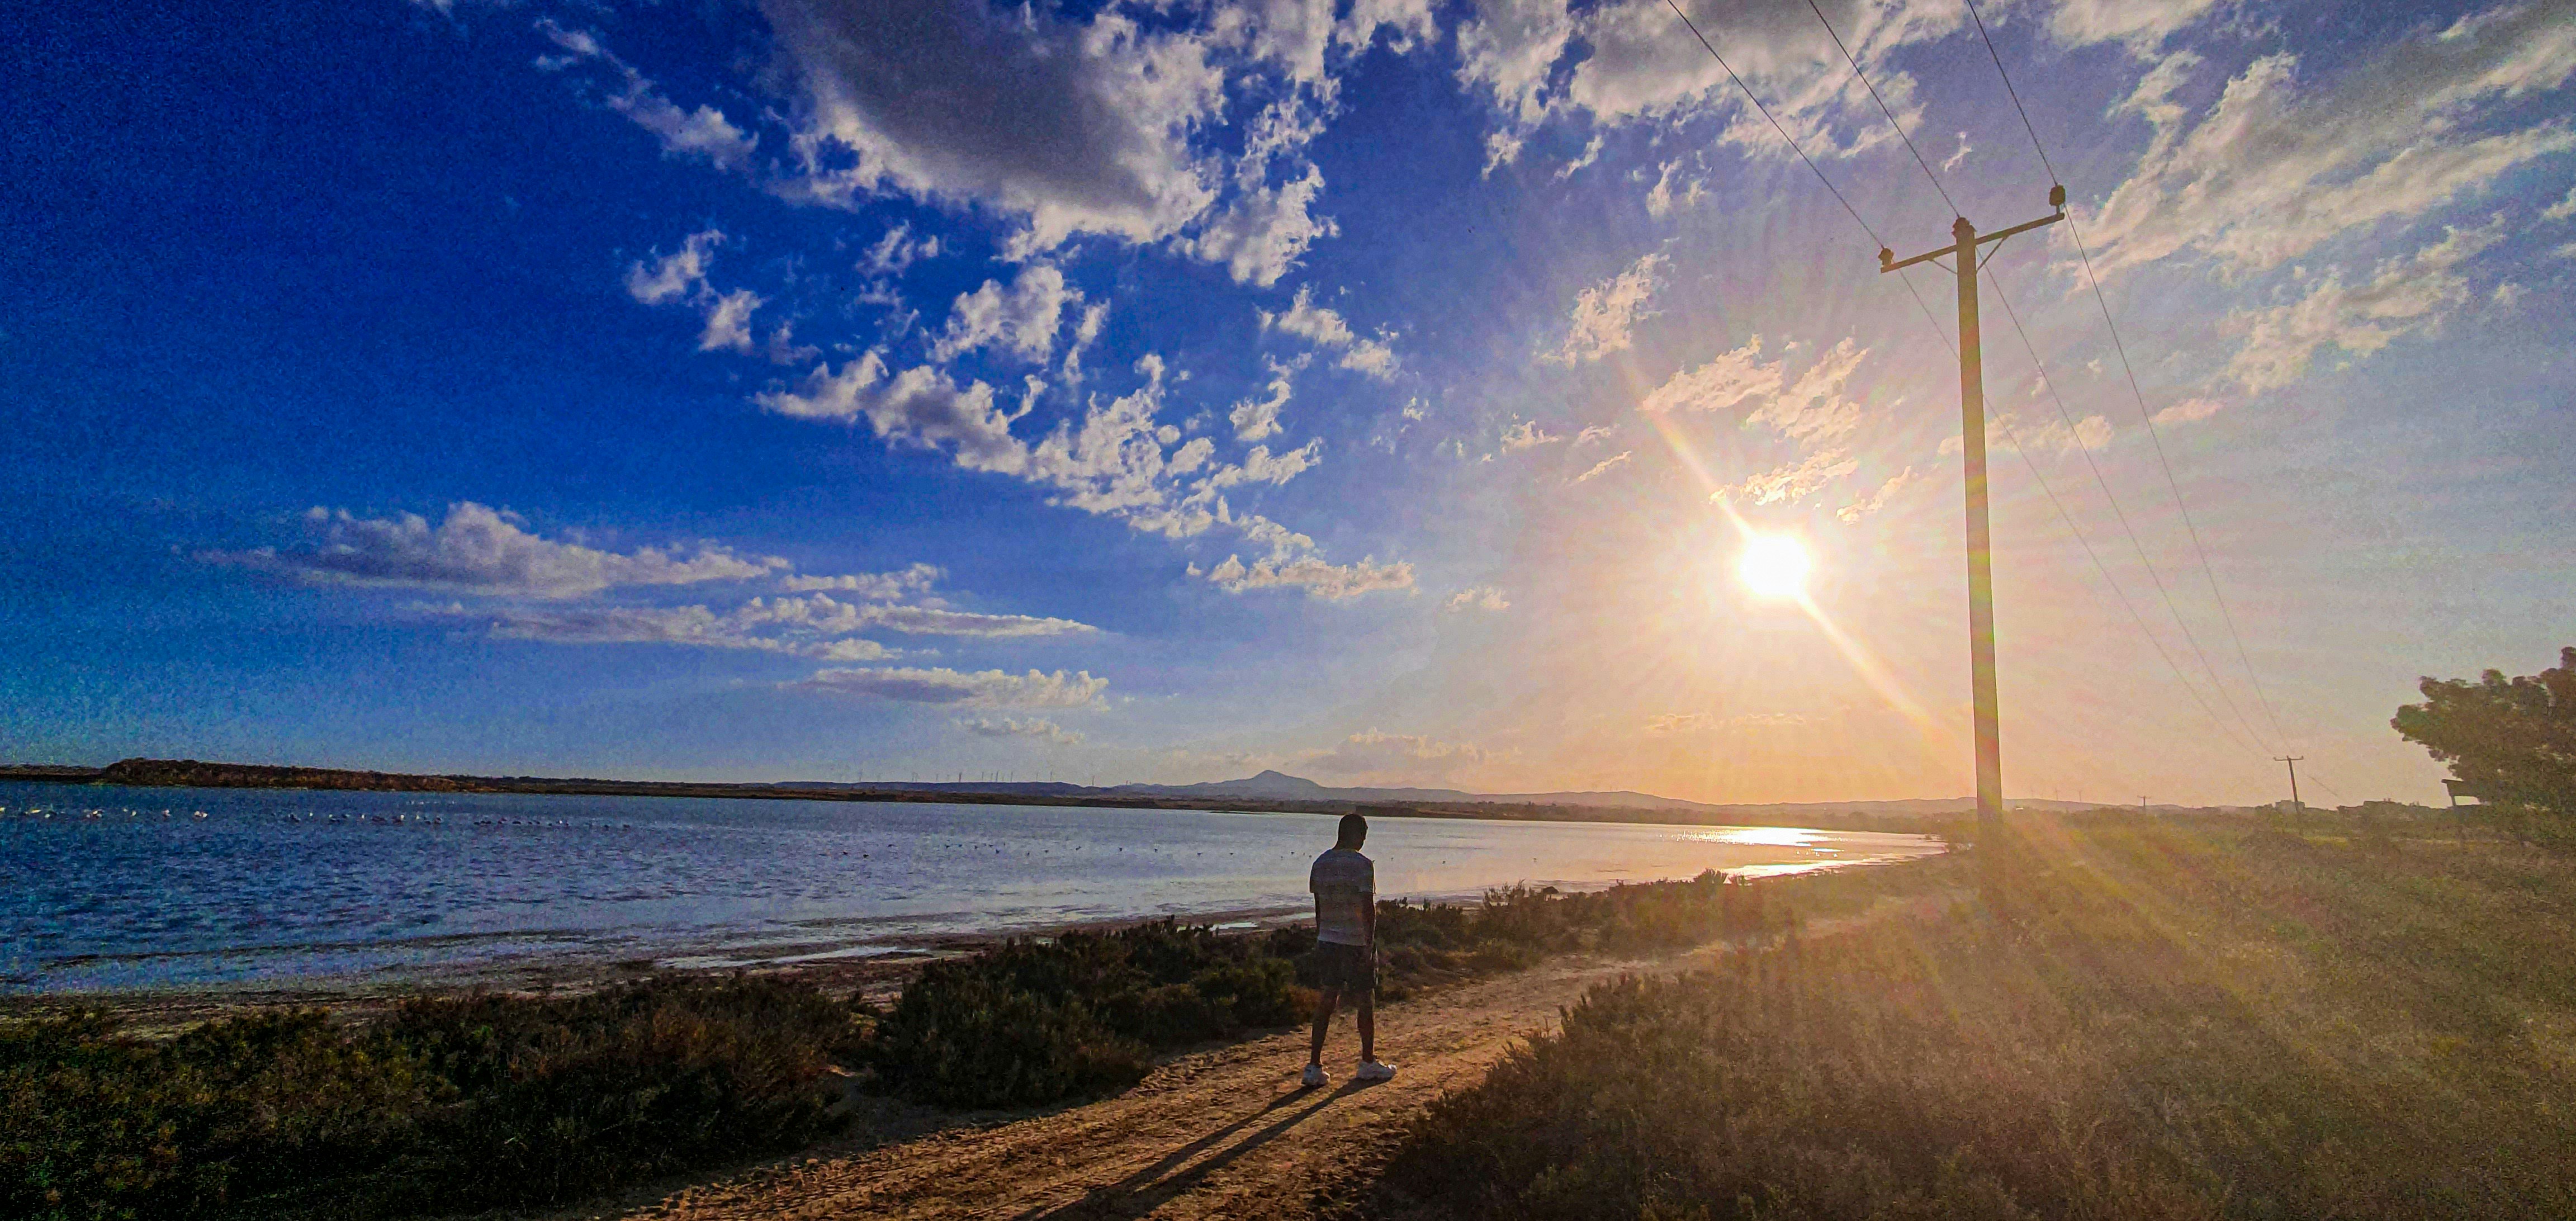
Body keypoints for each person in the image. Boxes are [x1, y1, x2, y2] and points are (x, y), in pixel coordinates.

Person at [1305, 812, 1394, 1086]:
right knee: (1365, 1001)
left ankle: (1314, 1065)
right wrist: (1369, 942)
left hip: (1328, 940)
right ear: (1356, 835)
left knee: (1327, 1000)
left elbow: (1320, 907)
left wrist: (1322, 934)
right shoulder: (1363, 865)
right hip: (1355, 941)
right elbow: (1367, 907)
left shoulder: (1320, 864)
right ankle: (1367, 1061)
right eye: (1364, 835)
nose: (1365, 841)